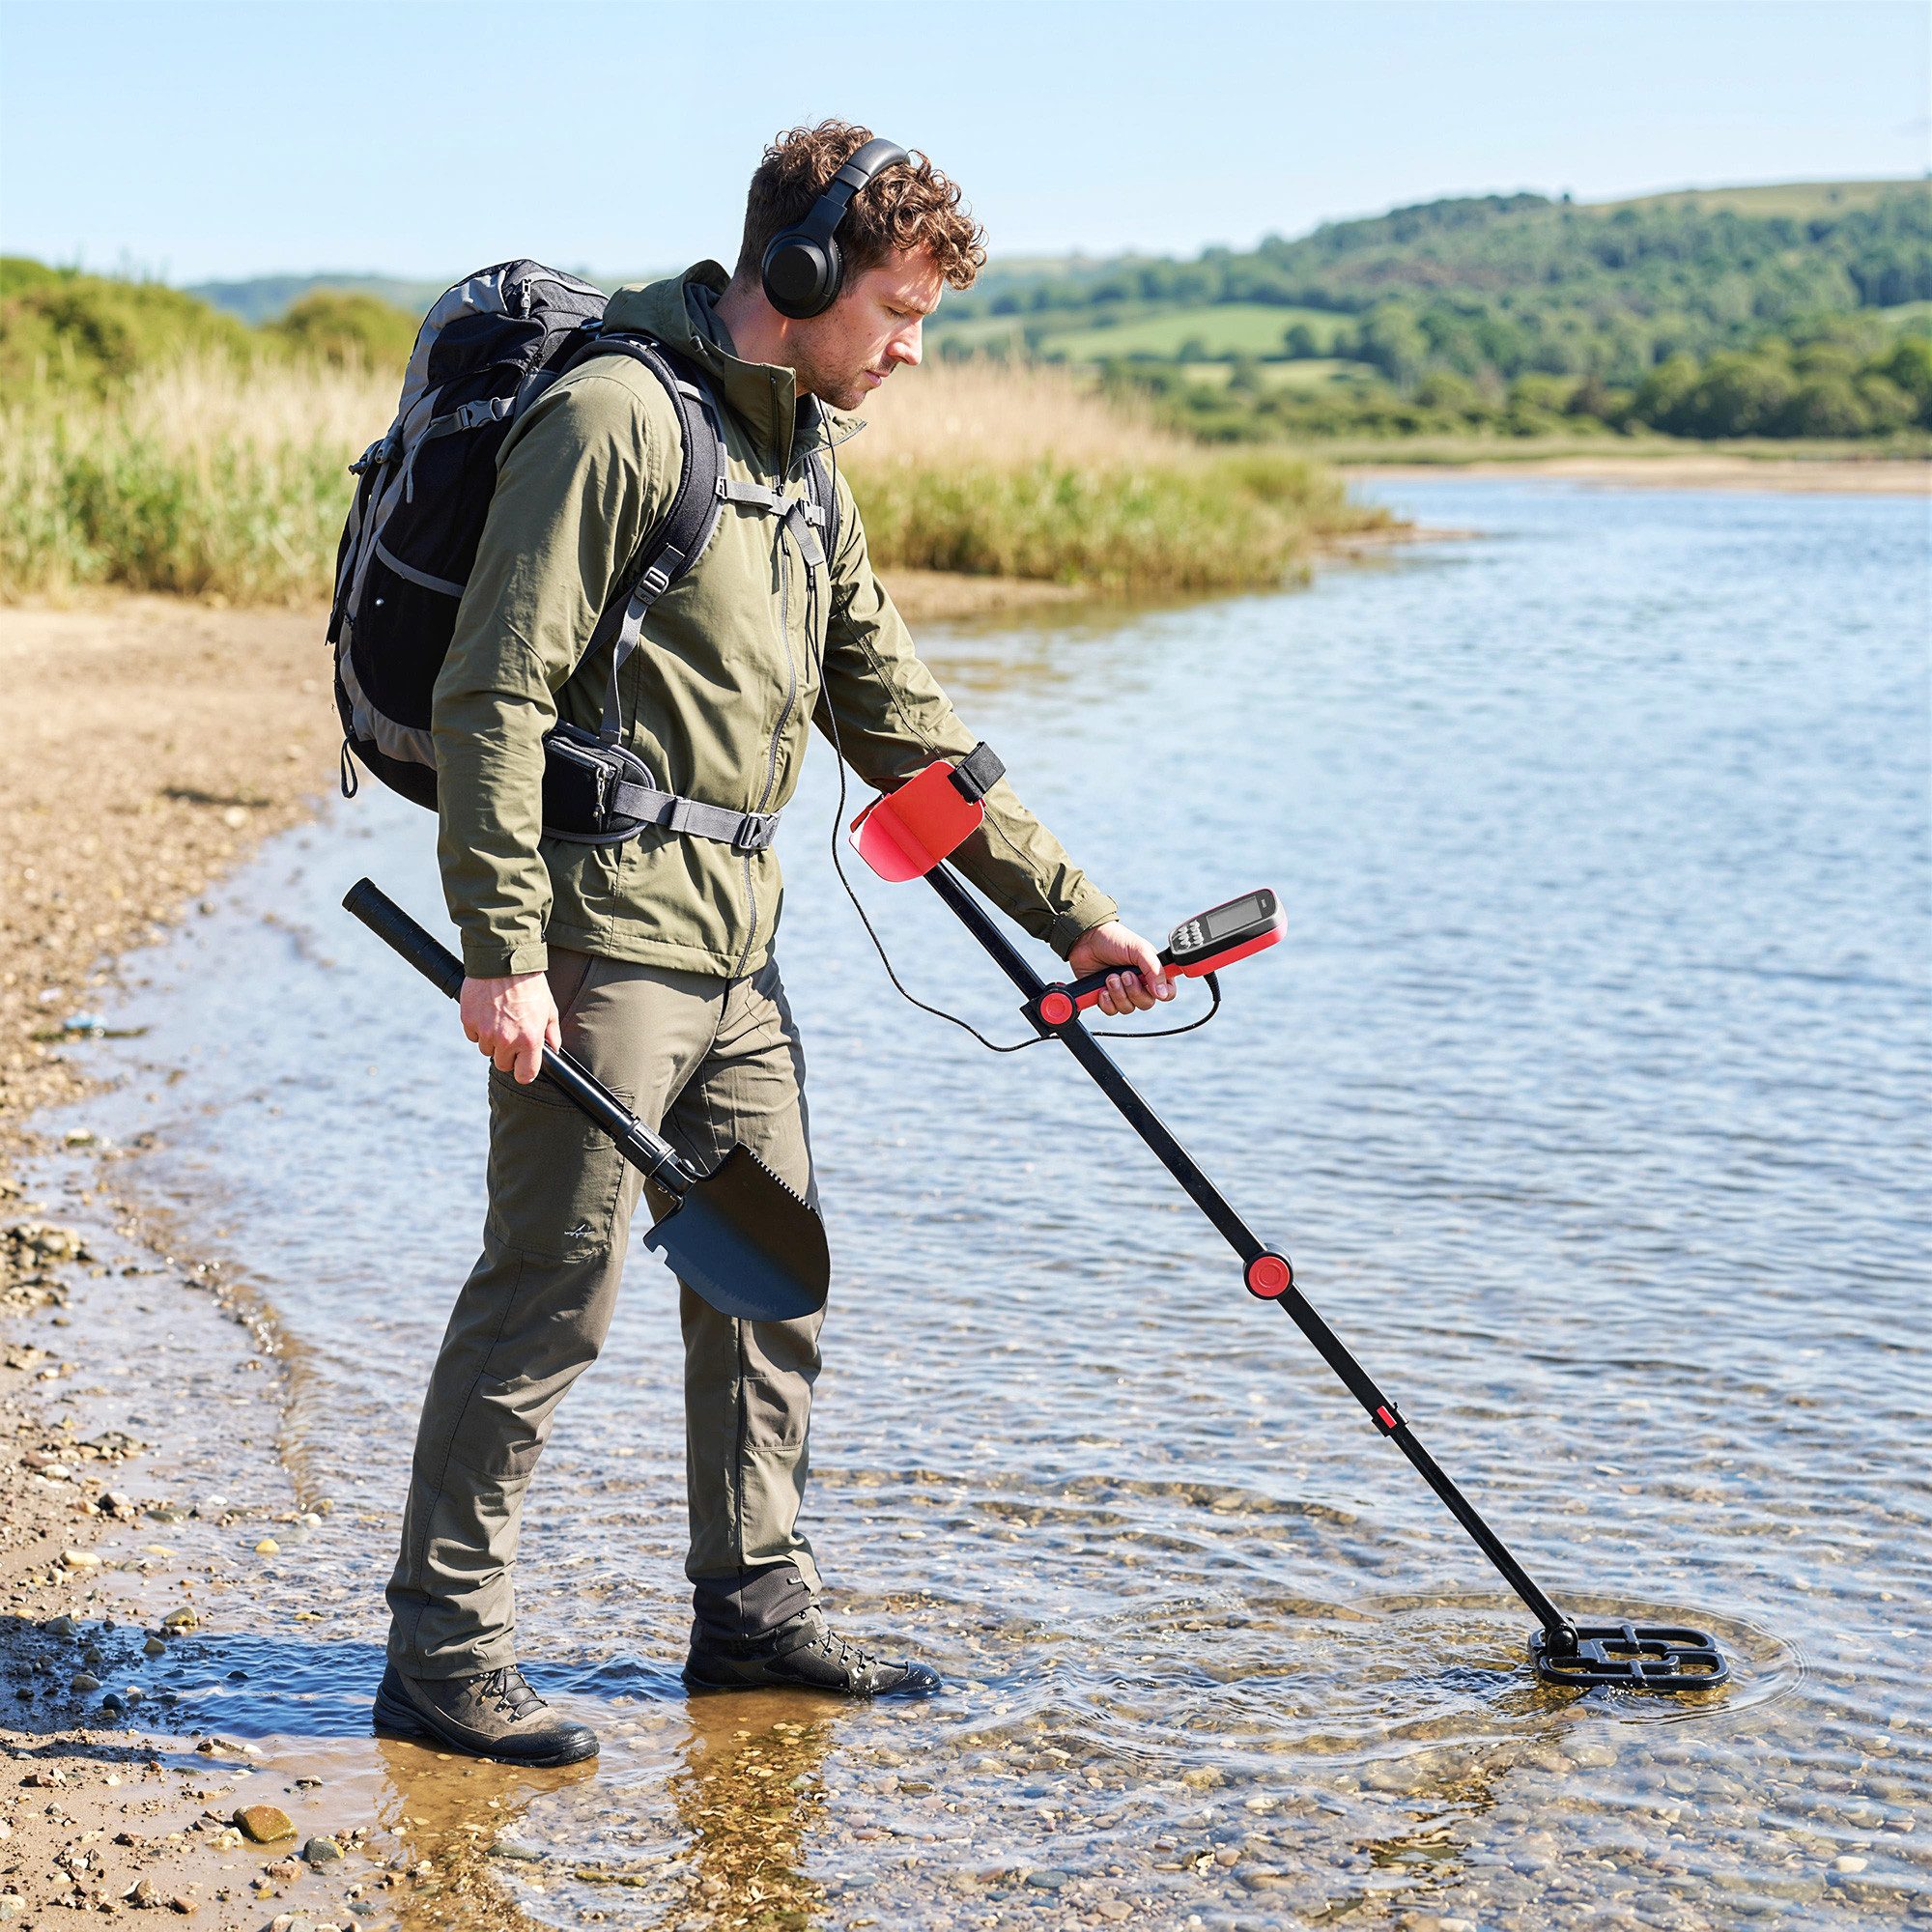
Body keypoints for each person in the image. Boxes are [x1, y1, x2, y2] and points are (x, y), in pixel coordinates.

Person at [372, 121, 1174, 1767]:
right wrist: (500, 950)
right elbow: (494, 693)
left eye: (927, 316)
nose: (911, 346)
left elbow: (897, 716)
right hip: (598, 950)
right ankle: (442, 1660)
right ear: (797, 274)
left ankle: (752, 1614)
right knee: (553, 1296)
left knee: (770, 1279)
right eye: (896, 307)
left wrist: (1075, 910)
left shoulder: (804, 458)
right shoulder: (612, 420)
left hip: (737, 960)